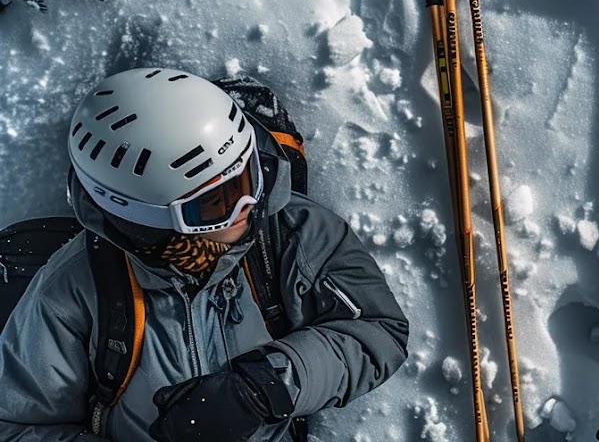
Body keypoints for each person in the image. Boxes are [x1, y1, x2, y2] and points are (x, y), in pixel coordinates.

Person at [0, 67, 409, 441]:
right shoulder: (72, 290)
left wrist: (263, 388)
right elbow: (17, 427)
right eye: (218, 201)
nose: (249, 202)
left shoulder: (292, 229)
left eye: (249, 171)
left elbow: (378, 328)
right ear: (146, 218)